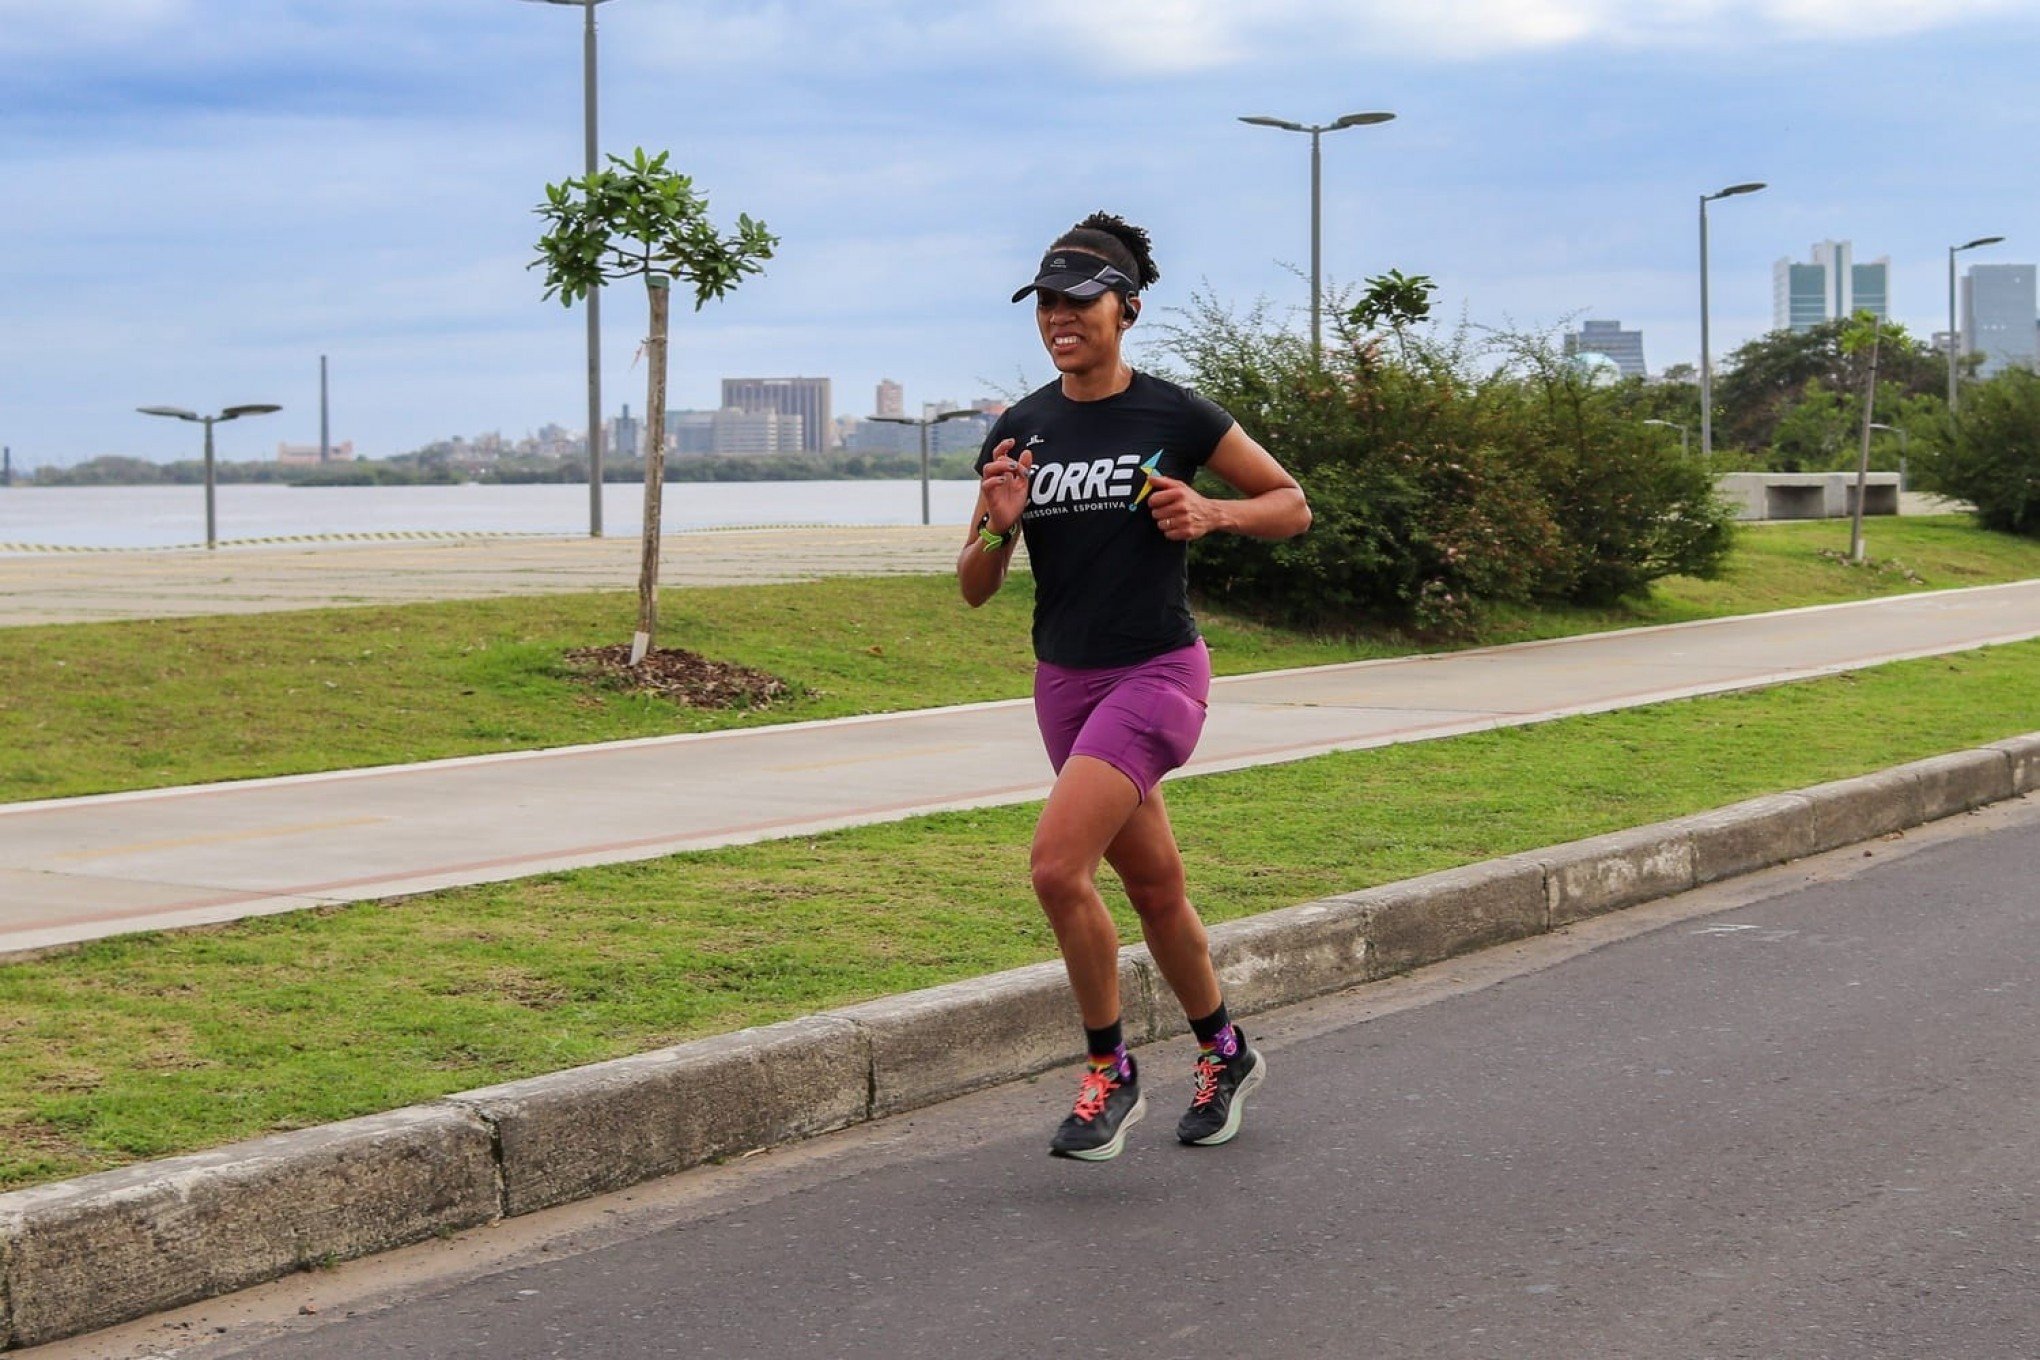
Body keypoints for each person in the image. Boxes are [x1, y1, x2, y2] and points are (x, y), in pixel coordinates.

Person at [958, 211, 1312, 1161]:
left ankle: (1109, 1071)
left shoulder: (1177, 415)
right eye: (1045, 303)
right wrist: (998, 523)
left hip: (1157, 672)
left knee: (1054, 869)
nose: (1059, 318)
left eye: (1079, 302)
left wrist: (1214, 514)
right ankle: (1226, 1050)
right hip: (1063, 684)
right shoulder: (1022, 428)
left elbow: (1290, 505)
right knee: (1154, 889)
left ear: (1127, 309)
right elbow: (975, 585)